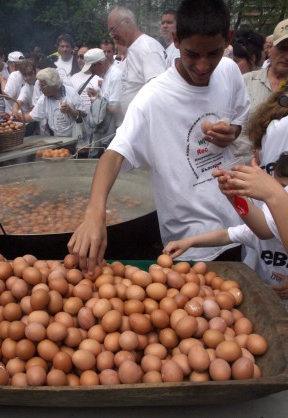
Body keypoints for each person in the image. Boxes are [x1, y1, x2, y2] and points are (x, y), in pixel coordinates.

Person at [68, 0, 250, 274]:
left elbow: (240, 116)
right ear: (176, 40)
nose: (202, 66)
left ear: (228, 40)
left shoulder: (229, 71)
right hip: (189, 244)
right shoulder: (153, 98)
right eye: (192, 54)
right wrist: (95, 213)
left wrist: (231, 132)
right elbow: (114, 154)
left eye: (212, 54)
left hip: (239, 225)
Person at [164, 154, 288, 304]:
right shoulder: (268, 226)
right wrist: (233, 194)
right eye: (280, 188)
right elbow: (259, 230)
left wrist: (274, 194)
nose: (281, 194)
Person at [233, 18, 288, 159]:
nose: (287, 56)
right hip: (242, 171)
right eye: (283, 48)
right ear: (270, 48)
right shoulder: (244, 82)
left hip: (279, 178)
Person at [108, 6, 167, 115]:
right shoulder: (134, 48)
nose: (112, 36)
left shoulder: (147, 49)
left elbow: (158, 92)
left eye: (113, 29)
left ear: (127, 22)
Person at [17, 68, 85, 138]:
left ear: (52, 85)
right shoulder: (44, 99)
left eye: (42, 86)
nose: (40, 89)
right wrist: (17, 117)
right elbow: (31, 117)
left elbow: (84, 114)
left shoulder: (71, 93)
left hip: (75, 137)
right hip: (57, 139)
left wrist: (70, 111)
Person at [82, 48, 122, 156]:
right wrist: (97, 97)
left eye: (92, 69)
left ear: (99, 64)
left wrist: (97, 102)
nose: (92, 72)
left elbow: (115, 107)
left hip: (117, 131)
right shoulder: (106, 75)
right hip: (108, 132)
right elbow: (108, 100)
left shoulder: (115, 75)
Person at [70, 45, 102, 147]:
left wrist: (97, 96)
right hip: (79, 123)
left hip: (95, 124)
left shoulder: (100, 78)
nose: (79, 60)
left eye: (82, 57)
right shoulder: (73, 78)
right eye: (78, 57)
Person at [12, 60, 38, 136]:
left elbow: (36, 109)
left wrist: (22, 116)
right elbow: (18, 102)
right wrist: (15, 112)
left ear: (35, 71)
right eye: (25, 75)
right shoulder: (27, 87)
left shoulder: (41, 83)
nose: (28, 78)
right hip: (35, 123)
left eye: (30, 74)